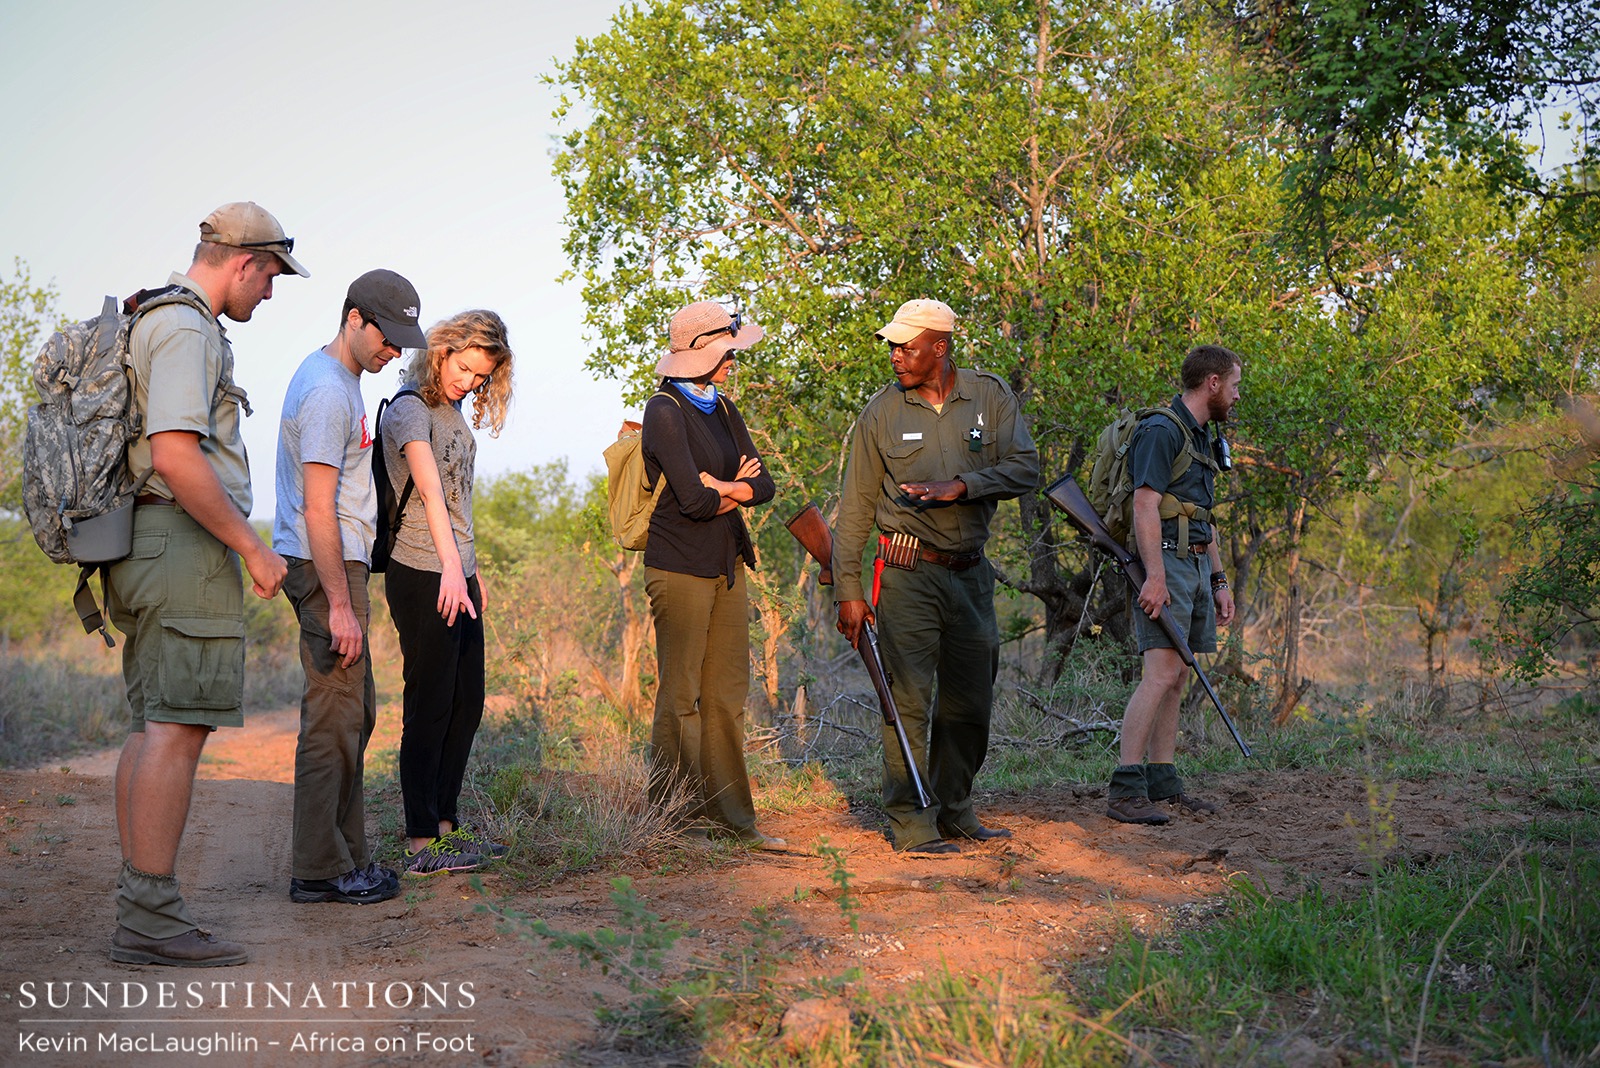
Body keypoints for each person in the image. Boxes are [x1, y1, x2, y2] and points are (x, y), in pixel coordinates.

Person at [107, 202, 305, 966]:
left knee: (152, 724)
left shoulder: (159, 318)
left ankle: (142, 908)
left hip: (150, 542)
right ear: (245, 261)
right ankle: (150, 919)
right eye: (274, 275)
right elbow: (177, 456)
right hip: (181, 542)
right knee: (176, 730)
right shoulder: (187, 327)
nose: (273, 291)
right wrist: (252, 548)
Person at [833, 299, 1039, 854]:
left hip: (971, 574)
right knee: (906, 702)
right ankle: (911, 820)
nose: (896, 356)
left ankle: (955, 809)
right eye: (893, 346)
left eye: (907, 346)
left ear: (940, 347)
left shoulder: (990, 397)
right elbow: (853, 510)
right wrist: (849, 591)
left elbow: (1026, 468)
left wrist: (962, 487)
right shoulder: (880, 413)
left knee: (970, 702)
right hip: (906, 573)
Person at [274, 269, 427, 903]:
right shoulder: (328, 392)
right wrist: (340, 603)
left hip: (338, 562)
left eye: (403, 340)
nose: (395, 350)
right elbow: (317, 508)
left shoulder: (342, 382)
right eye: (387, 335)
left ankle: (343, 856)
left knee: (354, 711)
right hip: (325, 565)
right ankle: (319, 870)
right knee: (335, 717)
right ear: (355, 318)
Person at [642, 300, 782, 848]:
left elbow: (764, 487)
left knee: (725, 694)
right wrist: (729, 489)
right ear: (699, 353)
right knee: (681, 695)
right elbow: (693, 503)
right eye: (727, 351)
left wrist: (720, 488)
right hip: (678, 568)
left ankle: (732, 819)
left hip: (726, 566)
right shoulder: (664, 410)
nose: (733, 361)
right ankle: (671, 822)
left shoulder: (723, 408)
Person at [380, 310, 515, 875]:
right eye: (464, 368)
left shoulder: (453, 411)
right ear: (441, 350)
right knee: (430, 703)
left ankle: (445, 827)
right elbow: (432, 495)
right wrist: (450, 571)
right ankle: (418, 842)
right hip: (421, 571)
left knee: (468, 702)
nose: (469, 382)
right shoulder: (410, 408)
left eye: (480, 377)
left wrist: (470, 568)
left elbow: (460, 502)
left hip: (459, 572)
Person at [1106, 344, 1242, 825]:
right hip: (1165, 563)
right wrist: (1156, 578)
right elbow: (1145, 505)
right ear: (1213, 383)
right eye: (1234, 385)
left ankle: (1162, 781)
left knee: (1179, 673)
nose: (1236, 395)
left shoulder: (1201, 434)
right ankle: (1125, 788)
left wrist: (1220, 578)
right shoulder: (1162, 430)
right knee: (1160, 673)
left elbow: (1201, 515)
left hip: (1196, 565)